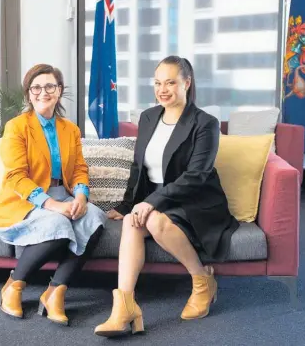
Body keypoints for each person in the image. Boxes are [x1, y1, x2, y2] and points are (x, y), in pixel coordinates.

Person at [94, 56, 239, 337]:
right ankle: (124, 306)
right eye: (158, 83)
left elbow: (196, 176)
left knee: (155, 221)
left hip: (196, 200)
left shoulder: (205, 123)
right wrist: (128, 205)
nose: (163, 89)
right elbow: (138, 168)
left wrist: (151, 203)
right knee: (131, 222)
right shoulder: (149, 117)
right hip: (159, 197)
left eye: (170, 82)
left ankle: (202, 280)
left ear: (186, 82)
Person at [0, 64, 106, 326]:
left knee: (94, 217)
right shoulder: (16, 127)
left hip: (64, 192)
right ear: (29, 93)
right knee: (58, 222)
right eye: (36, 87)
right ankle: (13, 286)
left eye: (50, 86)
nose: (43, 92)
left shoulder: (70, 129)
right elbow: (16, 176)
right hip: (25, 198)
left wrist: (81, 196)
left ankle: (56, 291)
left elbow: (80, 169)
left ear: (59, 91)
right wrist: (50, 204)